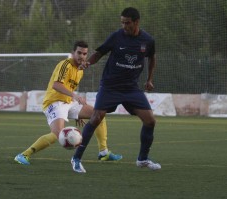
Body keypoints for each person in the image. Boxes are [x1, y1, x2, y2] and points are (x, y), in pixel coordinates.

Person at [71, 7, 161, 173]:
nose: (124, 26)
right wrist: (88, 63)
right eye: (122, 22)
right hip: (110, 87)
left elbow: (152, 58)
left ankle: (142, 159)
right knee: (96, 117)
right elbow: (99, 53)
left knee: (150, 121)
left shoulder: (148, 40)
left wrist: (149, 79)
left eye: (127, 23)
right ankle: (76, 158)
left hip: (131, 88)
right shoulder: (116, 36)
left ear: (136, 22)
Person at [14, 40, 122, 165]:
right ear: (73, 53)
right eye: (79, 53)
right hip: (54, 102)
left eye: (84, 54)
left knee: (98, 115)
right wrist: (75, 96)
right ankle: (23, 155)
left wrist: (77, 112)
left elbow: (68, 88)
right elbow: (56, 85)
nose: (81, 56)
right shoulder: (65, 64)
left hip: (68, 102)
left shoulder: (80, 70)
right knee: (56, 135)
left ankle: (103, 153)